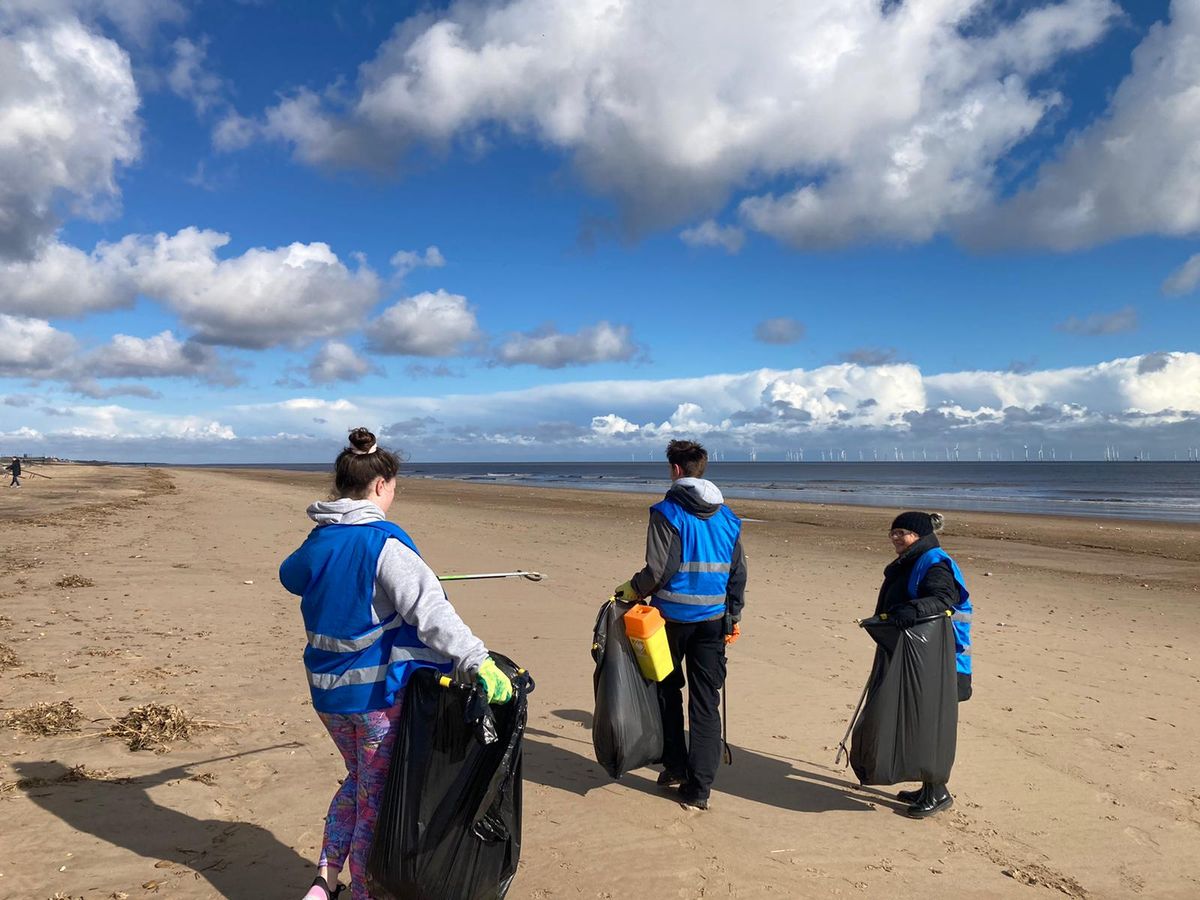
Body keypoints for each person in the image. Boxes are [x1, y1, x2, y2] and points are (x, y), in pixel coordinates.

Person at [280, 428, 513, 900]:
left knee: (360, 782)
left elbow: (292, 576)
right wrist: (477, 659)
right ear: (382, 484)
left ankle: (324, 883)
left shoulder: (320, 539)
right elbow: (432, 613)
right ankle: (364, 892)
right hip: (374, 701)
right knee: (376, 801)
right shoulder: (382, 543)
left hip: (327, 696)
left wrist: (346, 565)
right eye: (394, 486)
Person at [613, 439, 747, 811]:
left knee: (666, 692)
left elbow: (659, 570)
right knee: (706, 703)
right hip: (712, 621)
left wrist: (632, 590)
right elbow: (738, 573)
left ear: (675, 470)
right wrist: (734, 615)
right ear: (701, 468)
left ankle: (674, 766)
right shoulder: (728, 517)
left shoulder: (667, 511)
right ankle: (699, 788)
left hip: (669, 621)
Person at [875, 510, 972, 818]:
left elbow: (943, 598)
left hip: (945, 660)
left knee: (933, 726)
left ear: (918, 536)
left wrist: (911, 611)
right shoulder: (916, 559)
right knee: (918, 722)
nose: (895, 538)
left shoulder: (935, 562)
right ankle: (927, 785)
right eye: (892, 533)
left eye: (901, 533)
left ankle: (938, 792)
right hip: (923, 656)